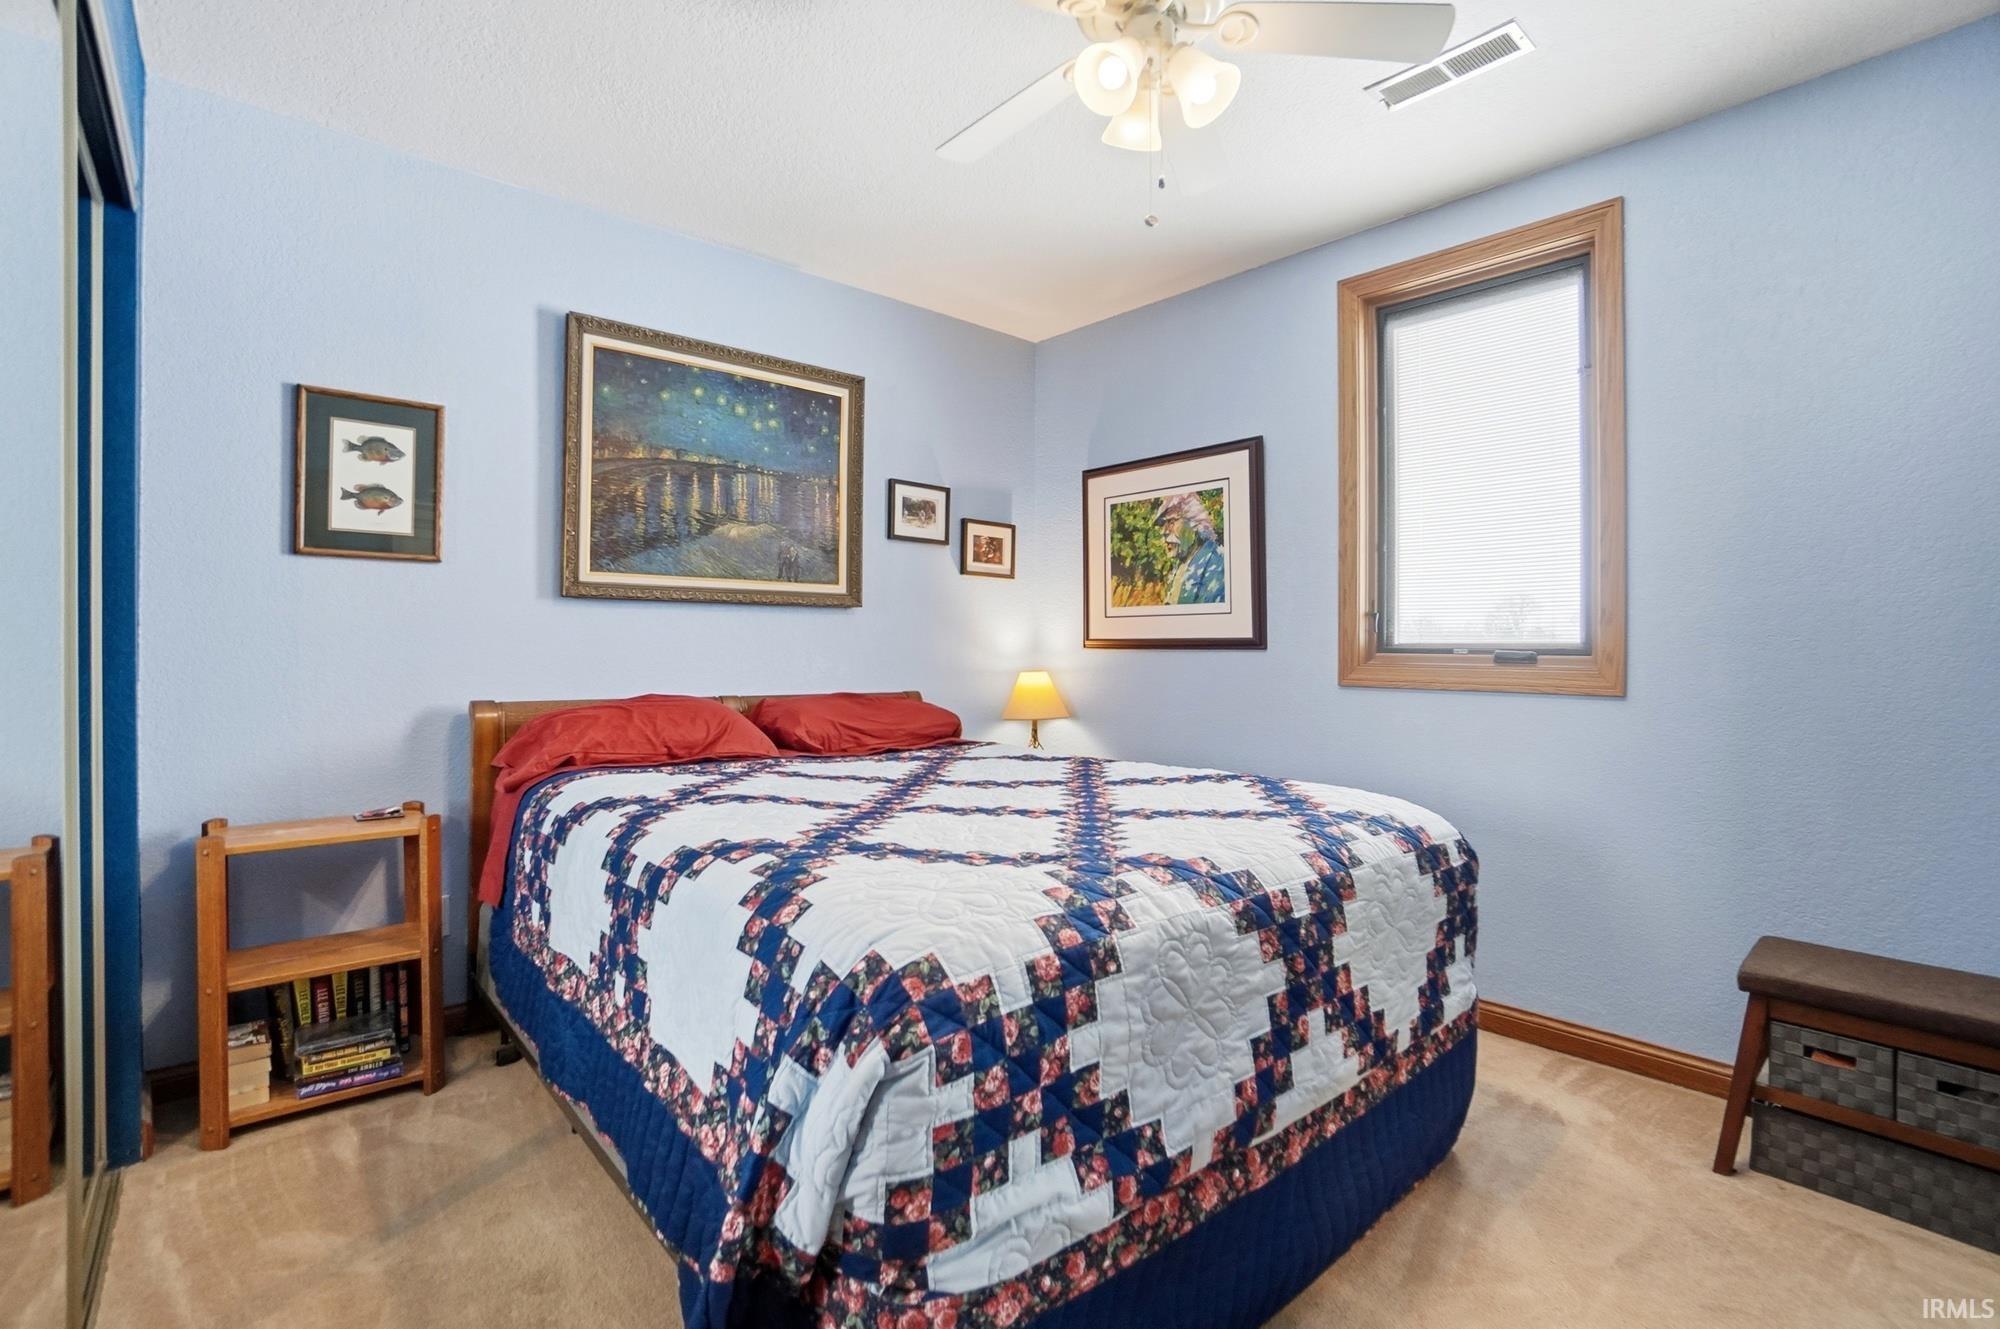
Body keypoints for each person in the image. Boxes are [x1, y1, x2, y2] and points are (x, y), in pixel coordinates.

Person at [1158, 493, 1225, 605]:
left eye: (1171, 522)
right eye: (1163, 525)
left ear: (1195, 523)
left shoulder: (1217, 562)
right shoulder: (1181, 563)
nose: (1163, 531)